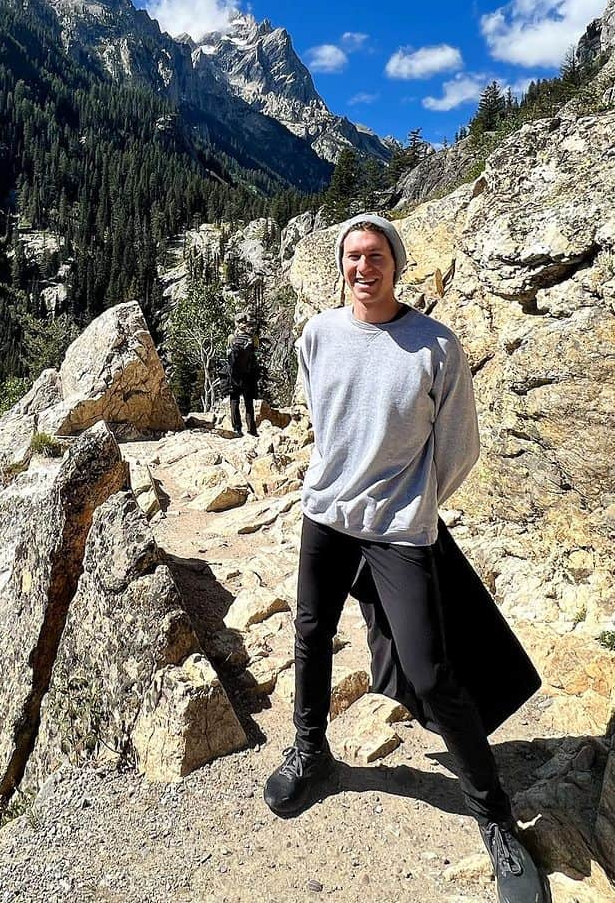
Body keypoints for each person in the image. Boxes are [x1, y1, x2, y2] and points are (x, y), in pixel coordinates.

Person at [263, 213, 545, 903]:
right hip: (326, 517)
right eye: (354, 257)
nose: (365, 267)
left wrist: (414, 504)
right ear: (343, 266)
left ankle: (495, 816)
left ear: (398, 263)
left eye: (377, 255)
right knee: (309, 633)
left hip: (398, 530)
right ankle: (311, 753)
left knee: (432, 668)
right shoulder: (320, 335)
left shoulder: (435, 347)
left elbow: (457, 449)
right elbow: (322, 419)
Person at [226, 318, 259, 436]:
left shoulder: (231, 338)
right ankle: (252, 430)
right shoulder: (253, 338)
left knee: (234, 401)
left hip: (235, 375)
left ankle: (237, 429)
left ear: (236, 323)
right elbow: (256, 351)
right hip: (248, 374)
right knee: (248, 403)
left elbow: (228, 355)